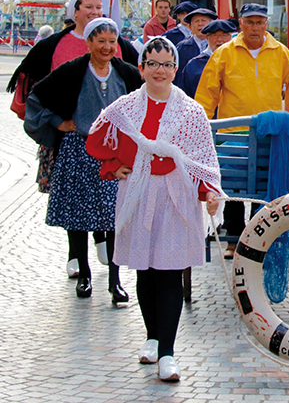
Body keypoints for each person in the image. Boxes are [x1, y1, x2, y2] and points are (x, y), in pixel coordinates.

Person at [87, 36, 223, 383]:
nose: (159, 71)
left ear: (175, 69)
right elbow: (97, 139)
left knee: (169, 271)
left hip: (176, 197)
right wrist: (113, 166)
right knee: (145, 269)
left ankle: (168, 352)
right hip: (139, 192)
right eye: (153, 64)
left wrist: (207, 192)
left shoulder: (191, 112)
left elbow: (202, 158)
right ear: (142, 68)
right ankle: (151, 336)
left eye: (166, 64)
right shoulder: (126, 107)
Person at [7, 0, 138, 277]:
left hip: (112, 149)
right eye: (88, 6)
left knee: (109, 204)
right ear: (75, 11)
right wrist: (56, 121)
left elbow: (138, 85)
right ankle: (77, 258)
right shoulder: (56, 46)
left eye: (98, 6)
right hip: (75, 141)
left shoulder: (121, 56)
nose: (94, 11)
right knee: (74, 203)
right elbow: (33, 88)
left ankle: (105, 247)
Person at [196, 3, 289, 257]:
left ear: (266, 24)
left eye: (259, 22)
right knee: (234, 187)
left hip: (268, 134)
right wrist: (200, 128)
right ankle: (234, 238)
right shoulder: (224, 54)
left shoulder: (281, 53)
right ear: (240, 24)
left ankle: (259, 236)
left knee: (262, 187)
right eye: (250, 22)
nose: (255, 28)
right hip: (231, 134)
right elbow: (207, 94)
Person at [174, 18, 237, 98]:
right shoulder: (194, 65)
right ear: (207, 38)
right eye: (214, 35)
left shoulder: (238, 61)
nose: (219, 39)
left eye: (224, 35)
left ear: (230, 37)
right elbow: (183, 95)